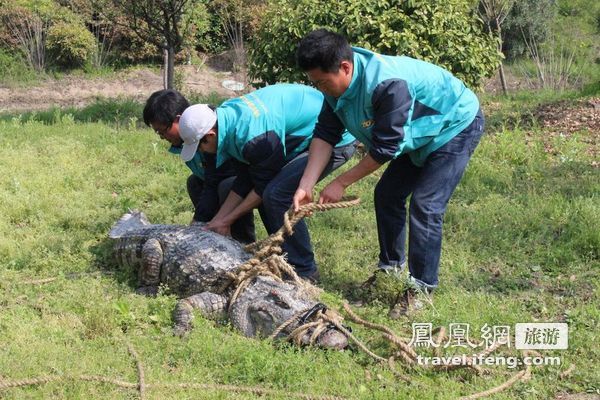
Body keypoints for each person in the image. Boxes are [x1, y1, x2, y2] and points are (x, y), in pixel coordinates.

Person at [293, 29, 485, 317]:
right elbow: (324, 134)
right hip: (418, 135)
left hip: (453, 126)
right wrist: (306, 184)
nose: (320, 89)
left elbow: (385, 148)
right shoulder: (336, 88)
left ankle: (421, 289)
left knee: (426, 204)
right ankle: (390, 270)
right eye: (315, 83)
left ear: (345, 67)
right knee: (387, 194)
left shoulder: (387, 84)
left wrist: (341, 182)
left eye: (322, 82)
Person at [177, 83, 357, 282]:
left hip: (333, 138)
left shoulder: (253, 137)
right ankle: (278, 257)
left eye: (200, 147)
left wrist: (227, 219)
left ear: (210, 135)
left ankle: (304, 271)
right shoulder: (227, 120)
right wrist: (219, 219)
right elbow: (245, 180)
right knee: (270, 191)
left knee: (277, 194)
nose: (201, 153)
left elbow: (262, 187)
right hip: (294, 135)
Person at [142, 89, 255, 243]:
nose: (162, 137)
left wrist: (198, 222)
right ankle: (211, 234)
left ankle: (243, 241)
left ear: (178, 120)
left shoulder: (205, 133)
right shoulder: (186, 140)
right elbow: (208, 179)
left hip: (245, 183)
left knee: (226, 187)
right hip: (217, 181)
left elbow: (215, 180)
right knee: (194, 183)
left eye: (162, 131)